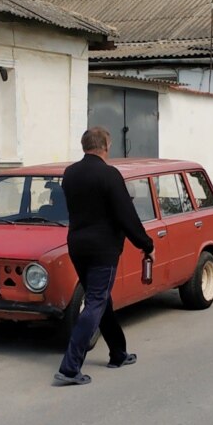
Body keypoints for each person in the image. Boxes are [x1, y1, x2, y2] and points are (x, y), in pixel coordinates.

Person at [54, 126, 154, 386]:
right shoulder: (109, 175)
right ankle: (70, 367)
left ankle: (118, 353)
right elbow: (126, 214)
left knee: (101, 300)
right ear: (105, 147)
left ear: (84, 145)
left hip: (77, 245)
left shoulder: (70, 174)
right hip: (103, 248)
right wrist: (145, 243)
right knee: (96, 301)